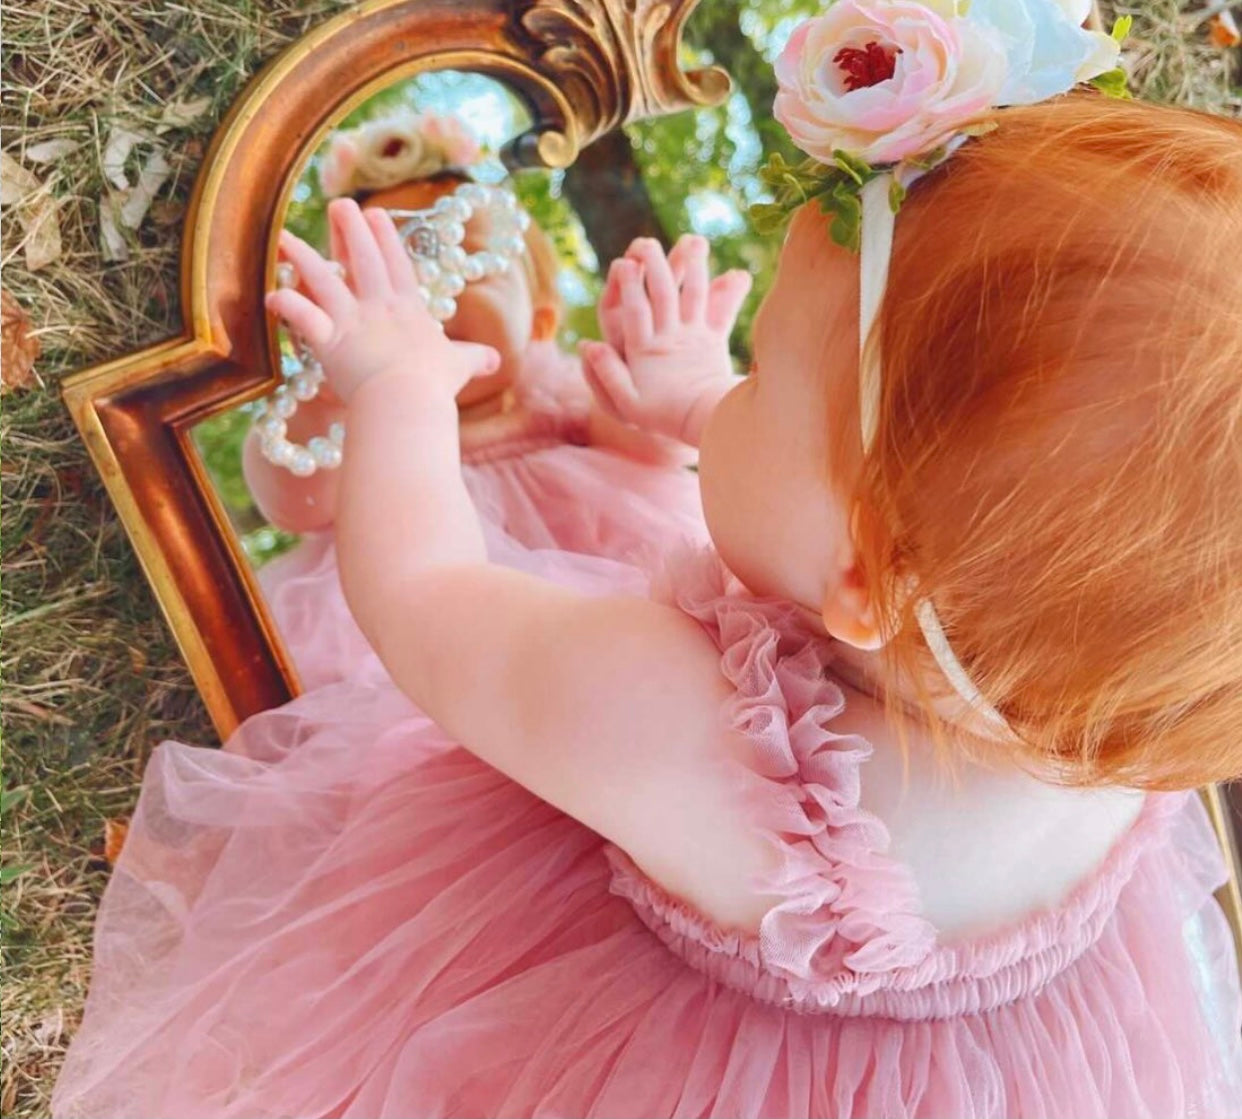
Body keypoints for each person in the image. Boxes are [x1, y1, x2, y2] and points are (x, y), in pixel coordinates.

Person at [53, 3, 1242, 1116]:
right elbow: (886, 496)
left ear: (866, 579)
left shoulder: (692, 737)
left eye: (759, 374)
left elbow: (427, 595)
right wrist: (693, 403)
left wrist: (399, 389)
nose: (734, 386)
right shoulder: (1107, 713)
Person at [242, 109, 749, 690]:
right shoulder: (361, 430)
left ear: (540, 317)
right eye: (388, 279)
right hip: (428, 666)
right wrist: (332, 390)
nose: (426, 294)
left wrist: (664, 393)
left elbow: (650, 453)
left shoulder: (556, 395)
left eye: (466, 265)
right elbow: (295, 502)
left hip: (615, 623)